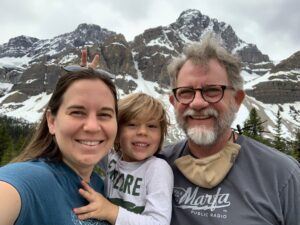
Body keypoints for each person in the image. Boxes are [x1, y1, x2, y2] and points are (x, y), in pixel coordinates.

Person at [161, 34, 300, 224]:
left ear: (237, 99)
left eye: (212, 90)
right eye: (186, 92)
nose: (198, 103)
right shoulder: (158, 166)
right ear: (173, 101)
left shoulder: (283, 175)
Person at [0, 65, 118, 225]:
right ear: (52, 121)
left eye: (104, 114)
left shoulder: (101, 186)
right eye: (77, 112)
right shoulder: (31, 179)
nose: (92, 126)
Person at [73, 92, 174, 225]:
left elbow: (159, 222)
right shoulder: (112, 158)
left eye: (152, 126)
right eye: (132, 125)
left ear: (161, 135)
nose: (142, 132)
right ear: (117, 131)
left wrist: (110, 212)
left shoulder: (158, 169)